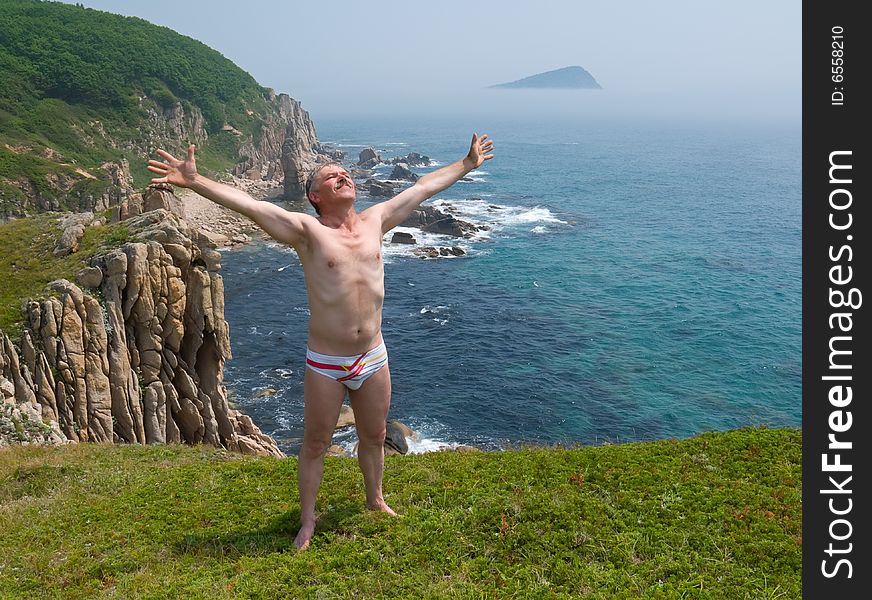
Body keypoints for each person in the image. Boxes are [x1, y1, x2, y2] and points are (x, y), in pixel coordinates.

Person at [147, 132, 494, 550]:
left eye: (344, 172)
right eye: (331, 176)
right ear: (315, 196)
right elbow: (254, 206)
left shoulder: (376, 221)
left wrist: (466, 163)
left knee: (374, 434)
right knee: (315, 444)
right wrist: (197, 181)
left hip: (373, 356)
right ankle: (307, 521)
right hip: (327, 362)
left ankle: (375, 499)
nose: (342, 175)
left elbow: (422, 187)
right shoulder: (306, 232)